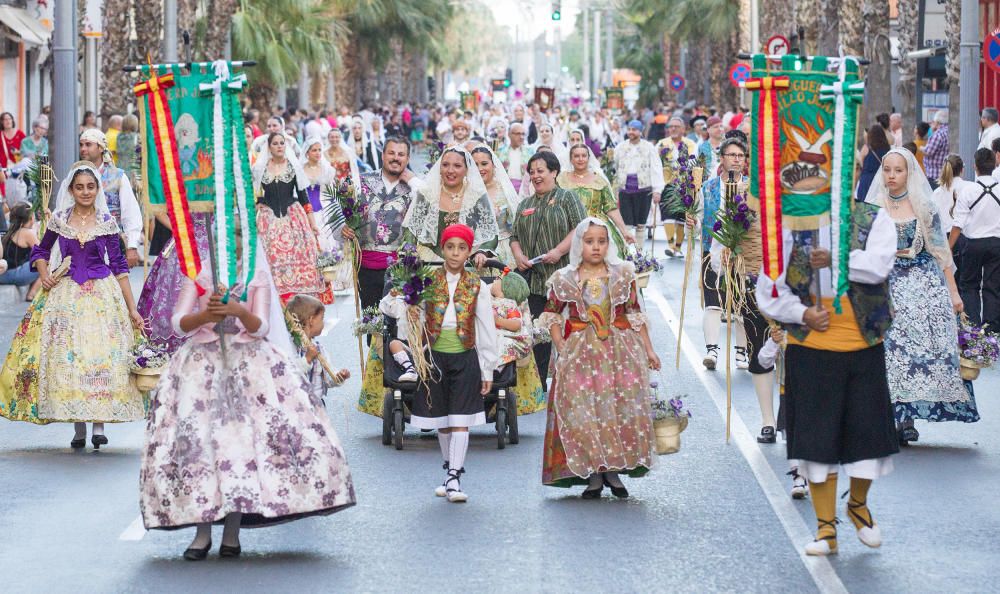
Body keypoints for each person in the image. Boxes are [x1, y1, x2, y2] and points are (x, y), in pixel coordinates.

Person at [140, 233, 355, 560]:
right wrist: (205, 317)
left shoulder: (256, 275)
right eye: (228, 233)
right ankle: (201, 533)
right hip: (200, 367)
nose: (233, 240)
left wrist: (237, 310)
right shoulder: (199, 271)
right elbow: (178, 323)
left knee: (237, 448)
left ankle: (231, 533)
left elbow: (261, 326)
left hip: (247, 366)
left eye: (239, 233)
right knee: (200, 447)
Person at [756, 164, 899, 556]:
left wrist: (834, 259)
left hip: (863, 345)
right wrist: (802, 314)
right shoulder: (789, 228)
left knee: (868, 440)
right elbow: (767, 290)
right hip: (812, 349)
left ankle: (857, 506)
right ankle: (825, 530)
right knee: (816, 443)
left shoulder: (874, 218)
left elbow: (878, 267)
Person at [0, 163, 144, 448]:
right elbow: (40, 251)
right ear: (71, 190)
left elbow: (119, 267)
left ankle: (99, 425)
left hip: (101, 296)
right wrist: (44, 275)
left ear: (97, 189)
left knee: (100, 356)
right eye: (80, 187)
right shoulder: (60, 220)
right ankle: (79, 427)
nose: (86, 192)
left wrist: (132, 309)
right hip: (66, 295)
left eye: (90, 187)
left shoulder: (107, 222)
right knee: (72, 356)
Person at [538, 217, 660, 498]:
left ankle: (613, 471)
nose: (595, 247)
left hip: (618, 352)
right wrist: (561, 344)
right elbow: (552, 314)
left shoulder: (622, 275)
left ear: (609, 245)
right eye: (589, 241)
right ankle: (592, 474)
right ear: (579, 244)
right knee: (583, 410)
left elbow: (633, 313)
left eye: (601, 241)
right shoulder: (565, 278)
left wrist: (649, 350)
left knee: (615, 406)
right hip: (580, 353)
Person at [380, 224, 498, 503]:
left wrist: (487, 367)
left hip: (465, 357)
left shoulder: (477, 286)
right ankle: (449, 471)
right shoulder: (427, 280)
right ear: (442, 249)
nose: (455, 253)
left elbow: (486, 328)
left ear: (469, 252)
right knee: (442, 420)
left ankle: (455, 475)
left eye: (462, 248)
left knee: (460, 420)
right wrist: (401, 297)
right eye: (450, 247)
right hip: (433, 359)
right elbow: (405, 311)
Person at [867, 148, 977, 444]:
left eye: (898, 170)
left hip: (922, 285)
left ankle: (907, 419)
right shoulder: (873, 206)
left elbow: (941, 252)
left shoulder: (924, 206)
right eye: (887, 170)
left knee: (918, 354)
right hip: (886, 283)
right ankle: (890, 414)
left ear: (909, 173)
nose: (891, 176)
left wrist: (953, 293)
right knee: (888, 354)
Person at [709, 135, 777, 443]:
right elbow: (723, 234)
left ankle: (791, 417)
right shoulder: (737, 194)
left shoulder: (793, 199)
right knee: (759, 347)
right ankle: (768, 420)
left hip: (789, 283)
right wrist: (726, 252)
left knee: (791, 353)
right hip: (752, 280)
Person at [510, 151, 588, 389]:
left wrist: (559, 250)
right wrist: (519, 255)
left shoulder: (567, 198)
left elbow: (581, 227)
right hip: (533, 281)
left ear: (554, 172)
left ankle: (575, 385)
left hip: (562, 278)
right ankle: (539, 385)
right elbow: (514, 236)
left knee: (568, 331)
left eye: (541, 171)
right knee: (538, 334)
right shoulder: (525, 204)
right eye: (532, 172)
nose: (536, 176)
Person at [690, 138, 750, 370]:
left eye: (740, 155)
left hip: (742, 253)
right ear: (722, 158)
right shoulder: (709, 187)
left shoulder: (752, 188)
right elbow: (699, 220)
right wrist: (691, 222)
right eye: (732, 155)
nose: (736, 159)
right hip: (712, 250)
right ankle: (712, 351)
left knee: (741, 303)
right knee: (713, 302)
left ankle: (741, 353)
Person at [252, 132, 330, 304]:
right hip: (269, 220)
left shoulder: (293, 167)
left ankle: (301, 302)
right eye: (275, 143)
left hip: (294, 218)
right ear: (269, 147)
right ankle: (277, 303)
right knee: (273, 259)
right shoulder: (259, 169)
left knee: (301, 257)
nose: (280, 146)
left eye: (282, 143)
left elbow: (304, 197)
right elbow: (256, 195)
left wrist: (312, 223)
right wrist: (258, 204)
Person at [401, 146, 499, 264]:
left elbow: (491, 233)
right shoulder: (427, 193)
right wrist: (410, 252)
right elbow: (411, 228)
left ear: (467, 169)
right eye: (445, 165)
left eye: (457, 166)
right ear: (439, 167)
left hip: (468, 262)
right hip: (430, 261)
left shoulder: (477, 196)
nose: (450, 170)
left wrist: (481, 252)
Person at [950, 148, 1000, 330]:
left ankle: (973, 330)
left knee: (969, 285)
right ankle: (992, 331)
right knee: (993, 287)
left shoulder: (969, 190)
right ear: (994, 163)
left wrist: (948, 248)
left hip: (973, 244)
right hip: (996, 244)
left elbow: (958, 224)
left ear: (975, 166)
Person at [757, 324, 809, 500]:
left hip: (816, 392)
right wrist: (774, 340)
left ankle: (811, 473)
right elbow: (764, 360)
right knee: (793, 438)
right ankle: (799, 478)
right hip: (790, 393)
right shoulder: (783, 332)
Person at [79, 129, 143, 268]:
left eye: (88, 144)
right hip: (82, 246)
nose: (83, 149)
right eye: (81, 144)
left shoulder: (118, 176)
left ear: (101, 148)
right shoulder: (75, 176)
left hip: (112, 245)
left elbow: (130, 212)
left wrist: (132, 246)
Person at [558, 143, 634, 258]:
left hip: (597, 225)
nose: (580, 159)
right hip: (568, 225)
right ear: (571, 159)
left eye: (584, 156)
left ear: (589, 158)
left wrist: (624, 231)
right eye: (576, 156)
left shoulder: (599, 180)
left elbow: (610, 207)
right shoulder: (561, 179)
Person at [489, 269, 546, 415]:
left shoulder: (509, 305)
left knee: (502, 344)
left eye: (498, 279)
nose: (494, 280)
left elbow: (516, 324)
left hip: (501, 335)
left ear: (505, 289)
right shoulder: (485, 299)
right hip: (487, 336)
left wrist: (498, 321)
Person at [286, 294, 350, 404]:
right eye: (321, 318)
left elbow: (327, 378)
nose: (323, 322)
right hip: (298, 406)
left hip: (317, 405)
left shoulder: (319, 348)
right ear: (311, 320)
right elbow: (289, 376)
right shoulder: (291, 347)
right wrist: (307, 359)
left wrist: (338, 377)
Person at [613, 120, 664, 252]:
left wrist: (657, 190)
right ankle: (627, 252)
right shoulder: (620, 147)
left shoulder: (649, 148)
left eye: (634, 129)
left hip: (643, 189)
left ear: (640, 131)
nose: (631, 132)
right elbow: (615, 167)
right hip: (625, 189)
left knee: (641, 223)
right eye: (629, 129)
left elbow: (656, 168)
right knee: (627, 223)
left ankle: (639, 252)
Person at [470, 144, 520, 267]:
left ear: (493, 164)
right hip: (472, 250)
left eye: (484, 163)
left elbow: (517, 225)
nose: (480, 168)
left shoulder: (505, 191)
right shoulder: (467, 191)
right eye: (475, 165)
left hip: (503, 249)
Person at [656, 116, 699, 257]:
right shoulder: (662, 144)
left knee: (681, 216)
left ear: (683, 129)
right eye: (671, 126)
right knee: (668, 214)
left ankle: (678, 247)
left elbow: (695, 163)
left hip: (684, 185)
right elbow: (656, 165)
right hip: (667, 184)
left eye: (676, 126)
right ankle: (670, 244)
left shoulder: (691, 144)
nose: (673, 129)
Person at [301, 137, 339, 252]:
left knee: (326, 243)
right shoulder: (300, 170)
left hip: (323, 210)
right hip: (305, 211)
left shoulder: (327, 170)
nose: (318, 153)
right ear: (307, 152)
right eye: (314, 150)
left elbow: (331, 192)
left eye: (319, 150)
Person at [0, 203, 42, 300]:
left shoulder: (10, 231)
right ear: (31, 218)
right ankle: (32, 294)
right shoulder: (27, 233)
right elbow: (42, 253)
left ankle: (32, 292)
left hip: (4, 275)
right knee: (47, 263)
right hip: (15, 275)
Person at [856, 124, 891, 202]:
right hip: (880, 180)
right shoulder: (887, 149)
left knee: (864, 204)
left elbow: (861, 163)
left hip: (866, 180)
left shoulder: (867, 148)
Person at [499, 122, 534, 194]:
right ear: (509, 134)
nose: (521, 137)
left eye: (523, 134)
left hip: (524, 189)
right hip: (504, 189)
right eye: (518, 134)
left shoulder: (530, 152)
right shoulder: (499, 151)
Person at [923, 110, 950, 189]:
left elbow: (928, 152)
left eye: (933, 121)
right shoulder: (948, 131)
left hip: (934, 174)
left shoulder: (938, 134)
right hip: (944, 172)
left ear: (937, 122)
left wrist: (921, 148)